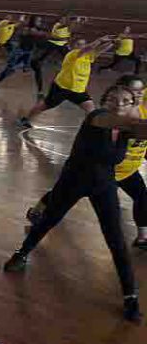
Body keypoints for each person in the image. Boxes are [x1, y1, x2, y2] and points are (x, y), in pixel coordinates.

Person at [4, 83, 147, 323]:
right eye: (113, 99)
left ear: (134, 105)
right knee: (49, 220)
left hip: (104, 185)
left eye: (125, 101)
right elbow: (125, 122)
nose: (118, 104)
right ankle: (21, 253)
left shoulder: (128, 130)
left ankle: (130, 296)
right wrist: (134, 119)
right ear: (105, 101)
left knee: (116, 240)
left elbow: (140, 131)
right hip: (74, 180)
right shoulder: (97, 117)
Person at [26, 75, 147, 251]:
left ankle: (142, 236)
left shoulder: (141, 110)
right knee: (63, 195)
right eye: (134, 91)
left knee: (142, 197)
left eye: (140, 90)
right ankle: (36, 218)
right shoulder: (106, 116)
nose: (139, 94)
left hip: (128, 170)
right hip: (104, 172)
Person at [18, 35, 116, 129]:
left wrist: (113, 42)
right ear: (71, 46)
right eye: (79, 44)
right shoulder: (72, 55)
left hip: (78, 90)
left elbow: (99, 50)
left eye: (83, 44)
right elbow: (87, 48)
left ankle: (90, 129)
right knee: (44, 106)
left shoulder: (88, 56)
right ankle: (26, 119)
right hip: (61, 88)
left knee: (91, 110)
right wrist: (99, 40)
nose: (81, 46)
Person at [0, 15, 46, 94]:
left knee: (37, 69)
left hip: (29, 52)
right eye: (38, 21)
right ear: (33, 21)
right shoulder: (26, 29)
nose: (40, 23)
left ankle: (40, 91)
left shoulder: (36, 30)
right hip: (20, 51)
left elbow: (39, 37)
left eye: (40, 21)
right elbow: (30, 33)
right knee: (9, 69)